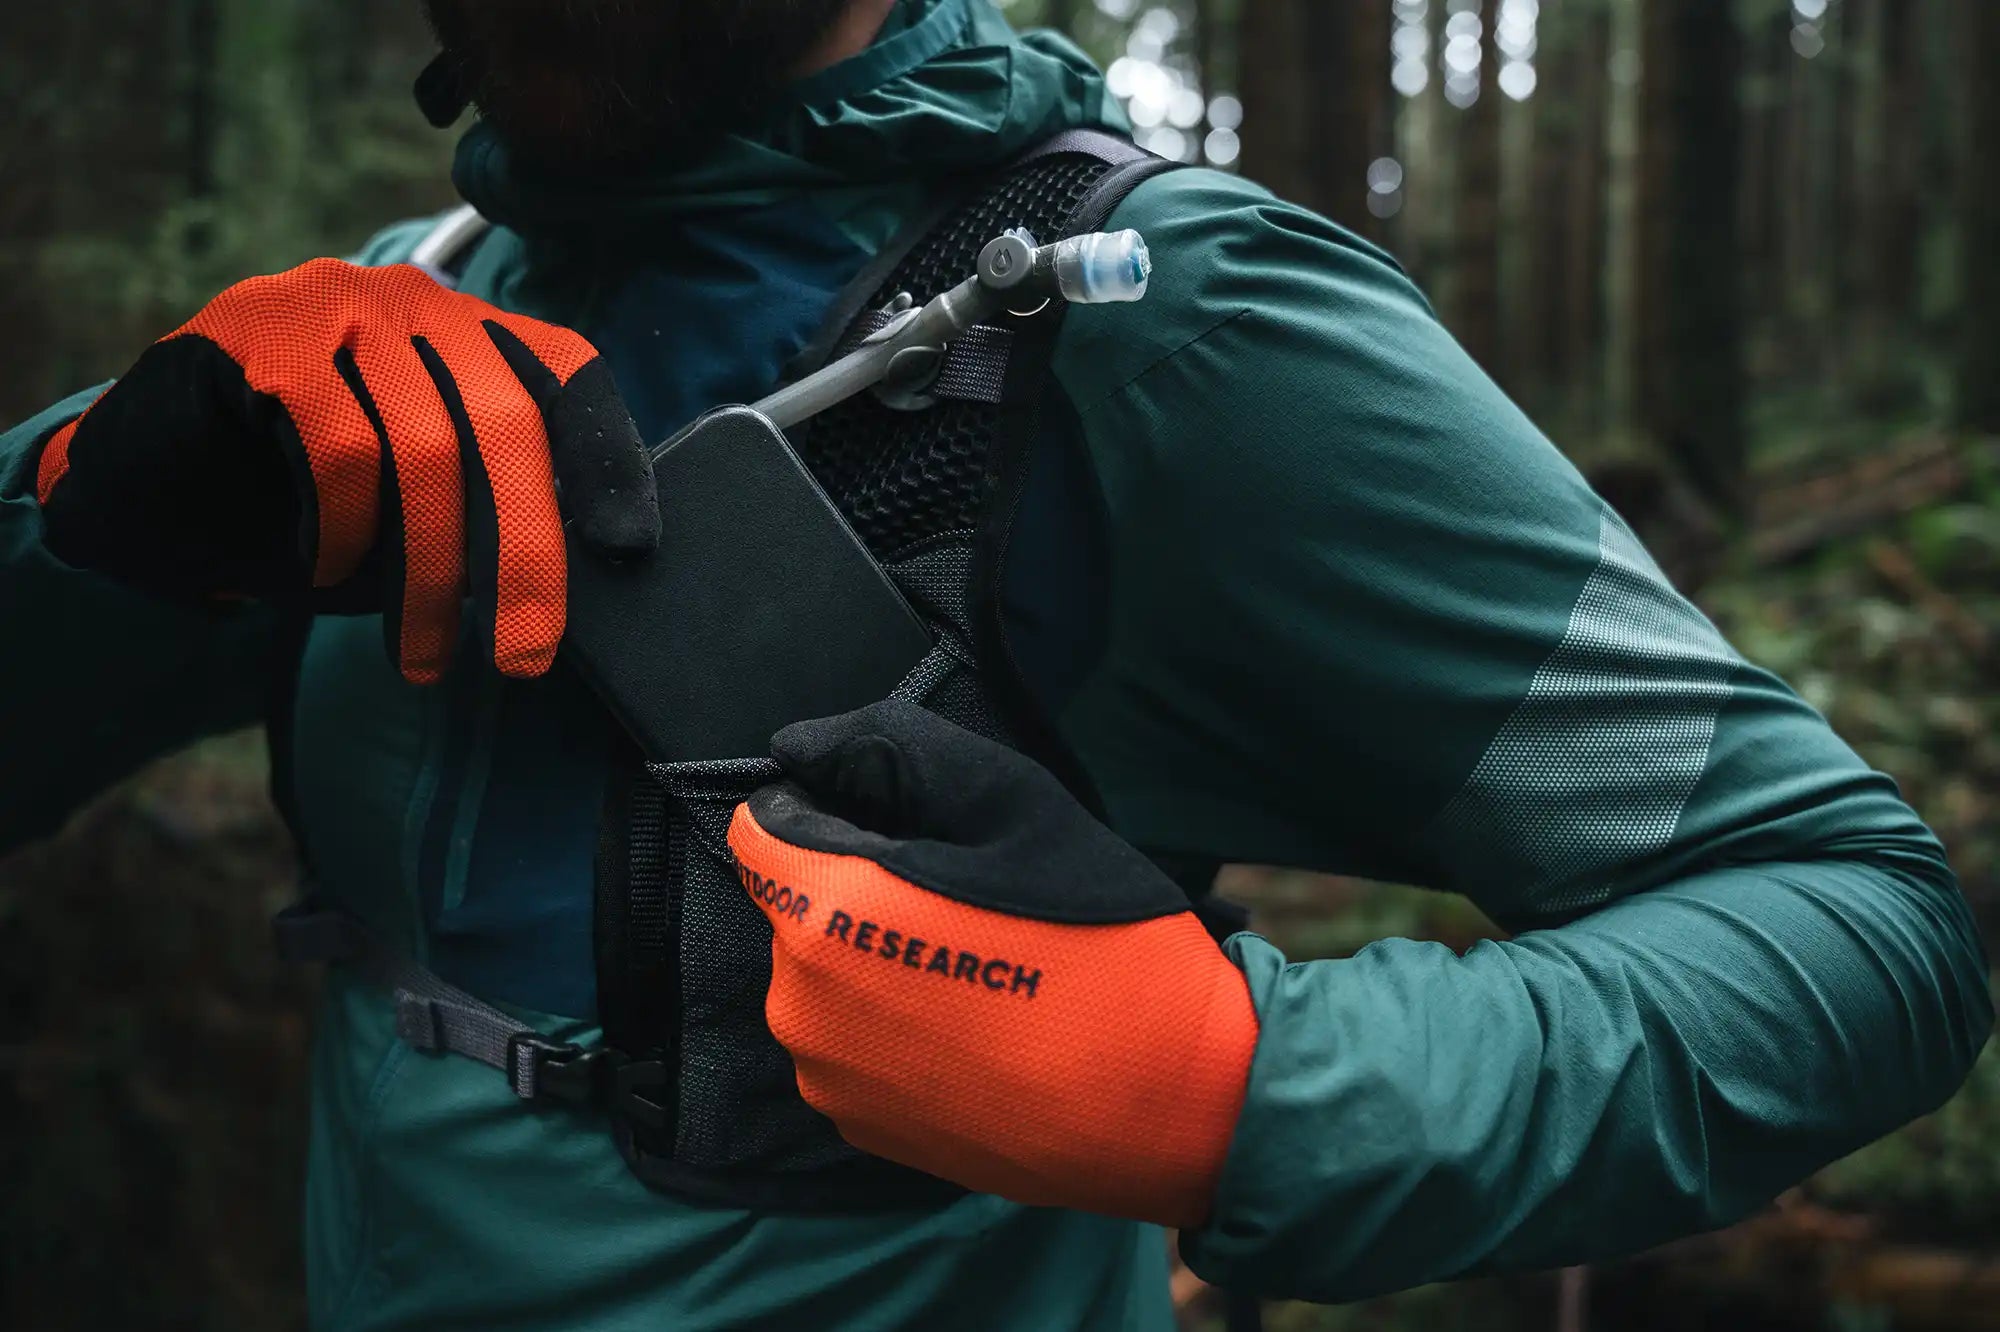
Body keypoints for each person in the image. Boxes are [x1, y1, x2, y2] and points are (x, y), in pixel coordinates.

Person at [2, 1, 1989, 1328]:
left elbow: (1858, 926)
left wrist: (1242, 1088)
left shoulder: (1177, 321)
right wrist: (85, 494)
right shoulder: (380, 334)